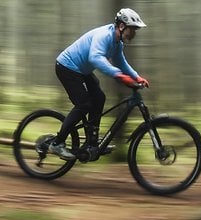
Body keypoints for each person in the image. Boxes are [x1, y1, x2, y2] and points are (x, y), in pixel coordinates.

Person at [46, 8, 150, 161]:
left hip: (82, 71)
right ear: (121, 26)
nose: (134, 34)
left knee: (99, 98)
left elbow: (121, 62)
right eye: (132, 30)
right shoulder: (104, 35)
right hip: (66, 67)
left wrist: (136, 77)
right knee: (84, 105)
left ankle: (91, 143)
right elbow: (95, 57)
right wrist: (119, 75)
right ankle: (57, 143)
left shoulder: (117, 43)